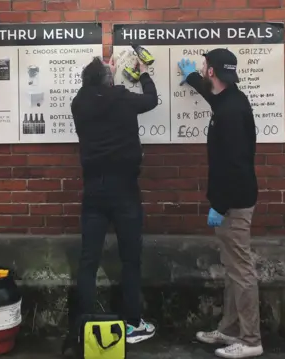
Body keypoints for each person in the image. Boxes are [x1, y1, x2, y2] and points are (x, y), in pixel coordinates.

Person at [178, 49, 262, 358]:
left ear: (212, 71)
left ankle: (251, 341)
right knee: (232, 268)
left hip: (234, 203)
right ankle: (230, 330)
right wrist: (190, 78)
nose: (202, 70)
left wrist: (221, 205)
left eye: (203, 67)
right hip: (232, 200)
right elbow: (211, 94)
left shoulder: (230, 111)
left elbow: (236, 165)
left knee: (241, 271)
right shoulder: (230, 99)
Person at [70, 55, 158, 344]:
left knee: (88, 260)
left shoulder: (79, 104)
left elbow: (93, 89)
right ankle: (132, 323)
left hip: (94, 189)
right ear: (110, 81)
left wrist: (105, 71)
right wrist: (143, 74)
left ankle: (82, 326)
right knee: (130, 259)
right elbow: (151, 99)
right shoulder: (122, 99)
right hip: (125, 190)